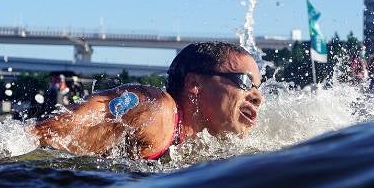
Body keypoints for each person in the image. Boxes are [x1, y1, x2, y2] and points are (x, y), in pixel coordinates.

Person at [27, 42, 263, 159]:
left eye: (258, 87)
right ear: (195, 85)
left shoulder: (207, 143)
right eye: (244, 82)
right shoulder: (152, 109)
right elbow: (50, 131)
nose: (257, 96)